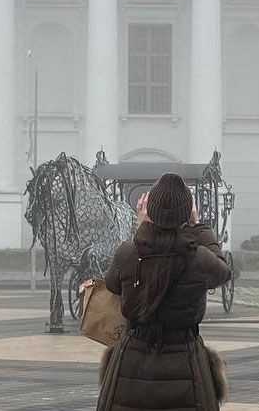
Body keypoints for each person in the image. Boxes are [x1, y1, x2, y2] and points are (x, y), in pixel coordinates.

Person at [96, 172, 232, 410]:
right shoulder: (199, 258)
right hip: (186, 364)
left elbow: (112, 285)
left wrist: (142, 232)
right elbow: (223, 273)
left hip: (131, 363)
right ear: (186, 213)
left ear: (150, 211)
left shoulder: (128, 253)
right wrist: (198, 226)